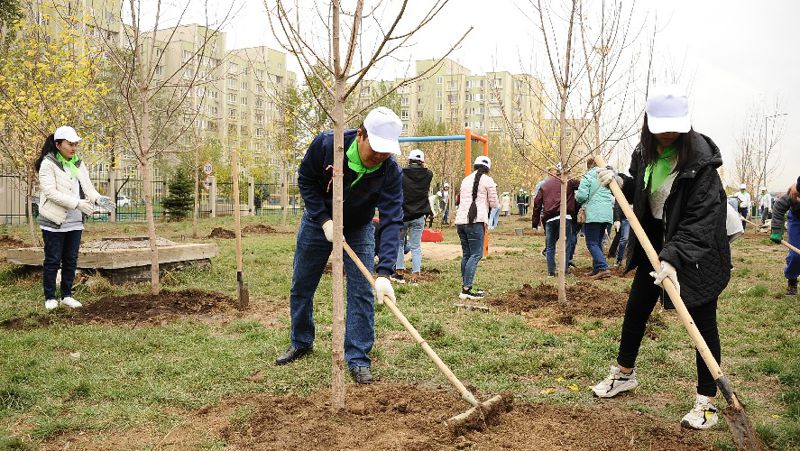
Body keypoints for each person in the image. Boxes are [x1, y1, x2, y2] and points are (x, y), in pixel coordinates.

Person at [592, 86, 731, 430]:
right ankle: (624, 374)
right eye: (661, 125)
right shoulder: (645, 150)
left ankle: (707, 401)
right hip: (655, 244)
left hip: (696, 252)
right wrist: (621, 181)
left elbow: (701, 220)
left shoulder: (701, 163)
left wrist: (675, 258)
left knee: (701, 320)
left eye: (674, 126)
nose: (668, 132)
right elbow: (642, 188)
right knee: (637, 308)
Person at [275, 107, 403, 385]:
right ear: (360, 135)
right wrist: (323, 220)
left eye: (386, 151)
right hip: (317, 222)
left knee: (361, 291)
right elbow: (306, 180)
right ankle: (301, 341)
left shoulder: (390, 171)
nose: (380, 156)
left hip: (359, 227)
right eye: (376, 149)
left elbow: (393, 219)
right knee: (302, 283)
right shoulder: (327, 145)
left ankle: (357, 357)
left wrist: (384, 272)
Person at [36, 126, 110, 310]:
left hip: (75, 221)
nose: (74, 148)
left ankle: (67, 295)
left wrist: (98, 198)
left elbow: (88, 187)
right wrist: (77, 204)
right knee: (53, 259)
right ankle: (50, 297)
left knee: (71, 259)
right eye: (70, 144)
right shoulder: (48, 164)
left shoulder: (78, 163)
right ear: (58, 144)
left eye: (76, 144)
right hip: (54, 221)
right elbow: (51, 193)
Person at [455, 156, 498, 299]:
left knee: (467, 254)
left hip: (461, 221)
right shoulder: (488, 180)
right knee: (476, 254)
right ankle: (467, 289)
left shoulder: (465, 180)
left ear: (475, 166)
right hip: (475, 221)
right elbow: (494, 204)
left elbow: (459, 199)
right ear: (488, 168)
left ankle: (465, 287)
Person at [392, 149, 432, 285]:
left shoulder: (401, 173)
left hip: (403, 215)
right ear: (422, 161)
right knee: (416, 246)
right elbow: (426, 171)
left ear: (409, 160)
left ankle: (399, 274)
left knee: (399, 244)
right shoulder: (428, 175)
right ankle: (415, 276)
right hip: (419, 215)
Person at [532, 167, 580, 277]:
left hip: (549, 219)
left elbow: (537, 205)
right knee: (566, 244)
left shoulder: (545, 185)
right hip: (565, 216)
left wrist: (535, 223)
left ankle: (551, 272)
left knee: (550, 246)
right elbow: (582, 186)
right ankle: (564, 270)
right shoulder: (568, 182)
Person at [576, 158, 614, 279]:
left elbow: (581, 196)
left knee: (591, 243)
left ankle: (603, 268)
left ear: (589, 166)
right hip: (607, 214)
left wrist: (577, 196)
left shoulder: (587, 177)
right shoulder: (607, 176)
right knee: (597, 242)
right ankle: (597, 268)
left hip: (593, 214)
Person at [769, 177, 800, 296]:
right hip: (797, 220)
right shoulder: (795, 192)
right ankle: (792, 280)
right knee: (795, 255)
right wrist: (776, 230)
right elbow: (779, 207)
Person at [613, 201, 631, 268]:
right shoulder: (622, 192)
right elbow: (617, 206)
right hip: (626, 219)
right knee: (624, 239)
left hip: (637, 219)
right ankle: (619, 259)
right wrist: (617, 219)